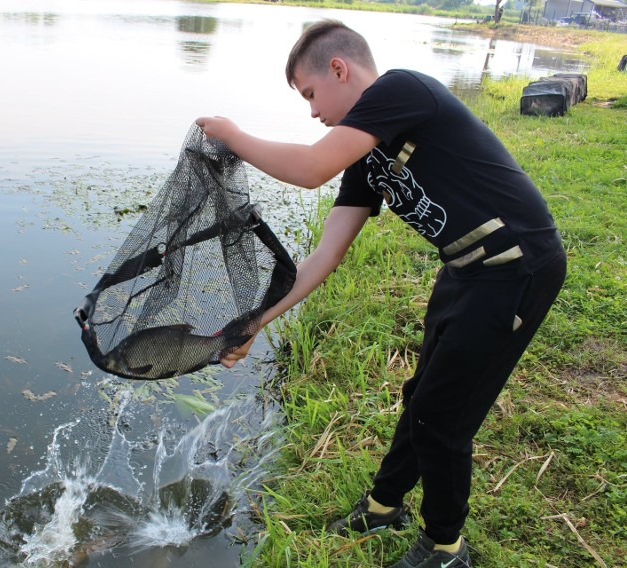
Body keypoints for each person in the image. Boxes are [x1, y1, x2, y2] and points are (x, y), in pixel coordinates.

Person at [196, 19, 566, 568]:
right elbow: (324, 255)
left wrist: (231, 135)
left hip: (515, 267)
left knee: (444, 418)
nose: (314, 112)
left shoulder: (402, 89)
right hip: (465, 268)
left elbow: (310, 168)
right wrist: (254, 322)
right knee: (422, 398)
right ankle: (382, 505)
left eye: (311, 94)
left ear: (340, 69)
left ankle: (445, 546)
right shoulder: (367, 156)